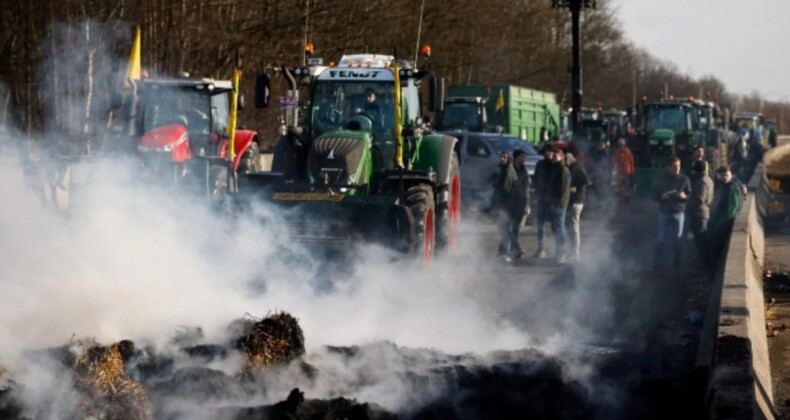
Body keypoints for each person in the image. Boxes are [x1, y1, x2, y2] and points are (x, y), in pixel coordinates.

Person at [651, 156, 692, 271]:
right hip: (664, 212)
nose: (677, 169)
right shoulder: (661, 179)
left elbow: (689, 194)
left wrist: (685, 197)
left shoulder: (684, 179)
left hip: (678, 213)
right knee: (660, 239)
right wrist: (660, 197)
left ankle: (676, 264)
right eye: (674, 166)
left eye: (678, 166)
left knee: (677, 240)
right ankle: (656, 264)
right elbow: (653, 194)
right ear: (669, 167)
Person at [534, 145, 571, 262]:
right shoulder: (551, 167)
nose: (552, 157)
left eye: (555, 155)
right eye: (552, 155)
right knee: (554, 228)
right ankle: (555, 251)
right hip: (550, 201)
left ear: (561, 157)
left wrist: (558, 202)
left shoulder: (563, 170)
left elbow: (563, 189)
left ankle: (562, 253)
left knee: (559, 228)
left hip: (557, 204)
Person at [493, 150, 530, 261]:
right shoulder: (506, 170)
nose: (502, 159)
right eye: (501, 157)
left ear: (509, 158)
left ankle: (512, 250)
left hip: (514, 204)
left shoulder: (516, 171)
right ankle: (506, 251)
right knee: (506, 228)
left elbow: (522, 189)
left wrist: (526, 205)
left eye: (504, 157)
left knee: (509, 229)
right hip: (508, 204)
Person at [709, 164, 745, 264]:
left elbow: (732, 209)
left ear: (731, 174)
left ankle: (713, 268)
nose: (725, 177)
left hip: (727, 222)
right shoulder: (724, 184)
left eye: (726, 175)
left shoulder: (733, 187)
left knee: (717, 245)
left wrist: (720, 224)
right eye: (722, 175)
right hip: (723, 219)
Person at [687, 159, 714, 272]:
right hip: (704, 212)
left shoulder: (702, 182)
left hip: (699, 213)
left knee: (701, 241)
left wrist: (687, 199)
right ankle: (705, 264)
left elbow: (700, 199)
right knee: (702, 240)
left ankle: (704, 265)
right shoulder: (708, 179)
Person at [565, 152, 589, 261]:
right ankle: (572, 251)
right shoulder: (574, 167)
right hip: (573, 200)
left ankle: (575, 252)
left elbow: (585, 180)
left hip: (577, 200)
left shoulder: (577, 168)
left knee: (574, 226)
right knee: (571, 227)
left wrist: (576, 187)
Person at [611, 138, 635, 205]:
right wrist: (632, 171)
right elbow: (631, 161)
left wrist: (612, 169)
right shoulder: (628, 151)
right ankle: (625, 196)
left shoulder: (617, 151)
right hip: (628, 171)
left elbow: (614, 161)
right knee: (625, 185)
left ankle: (625, 196)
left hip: (621, 171)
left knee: (620, 185)